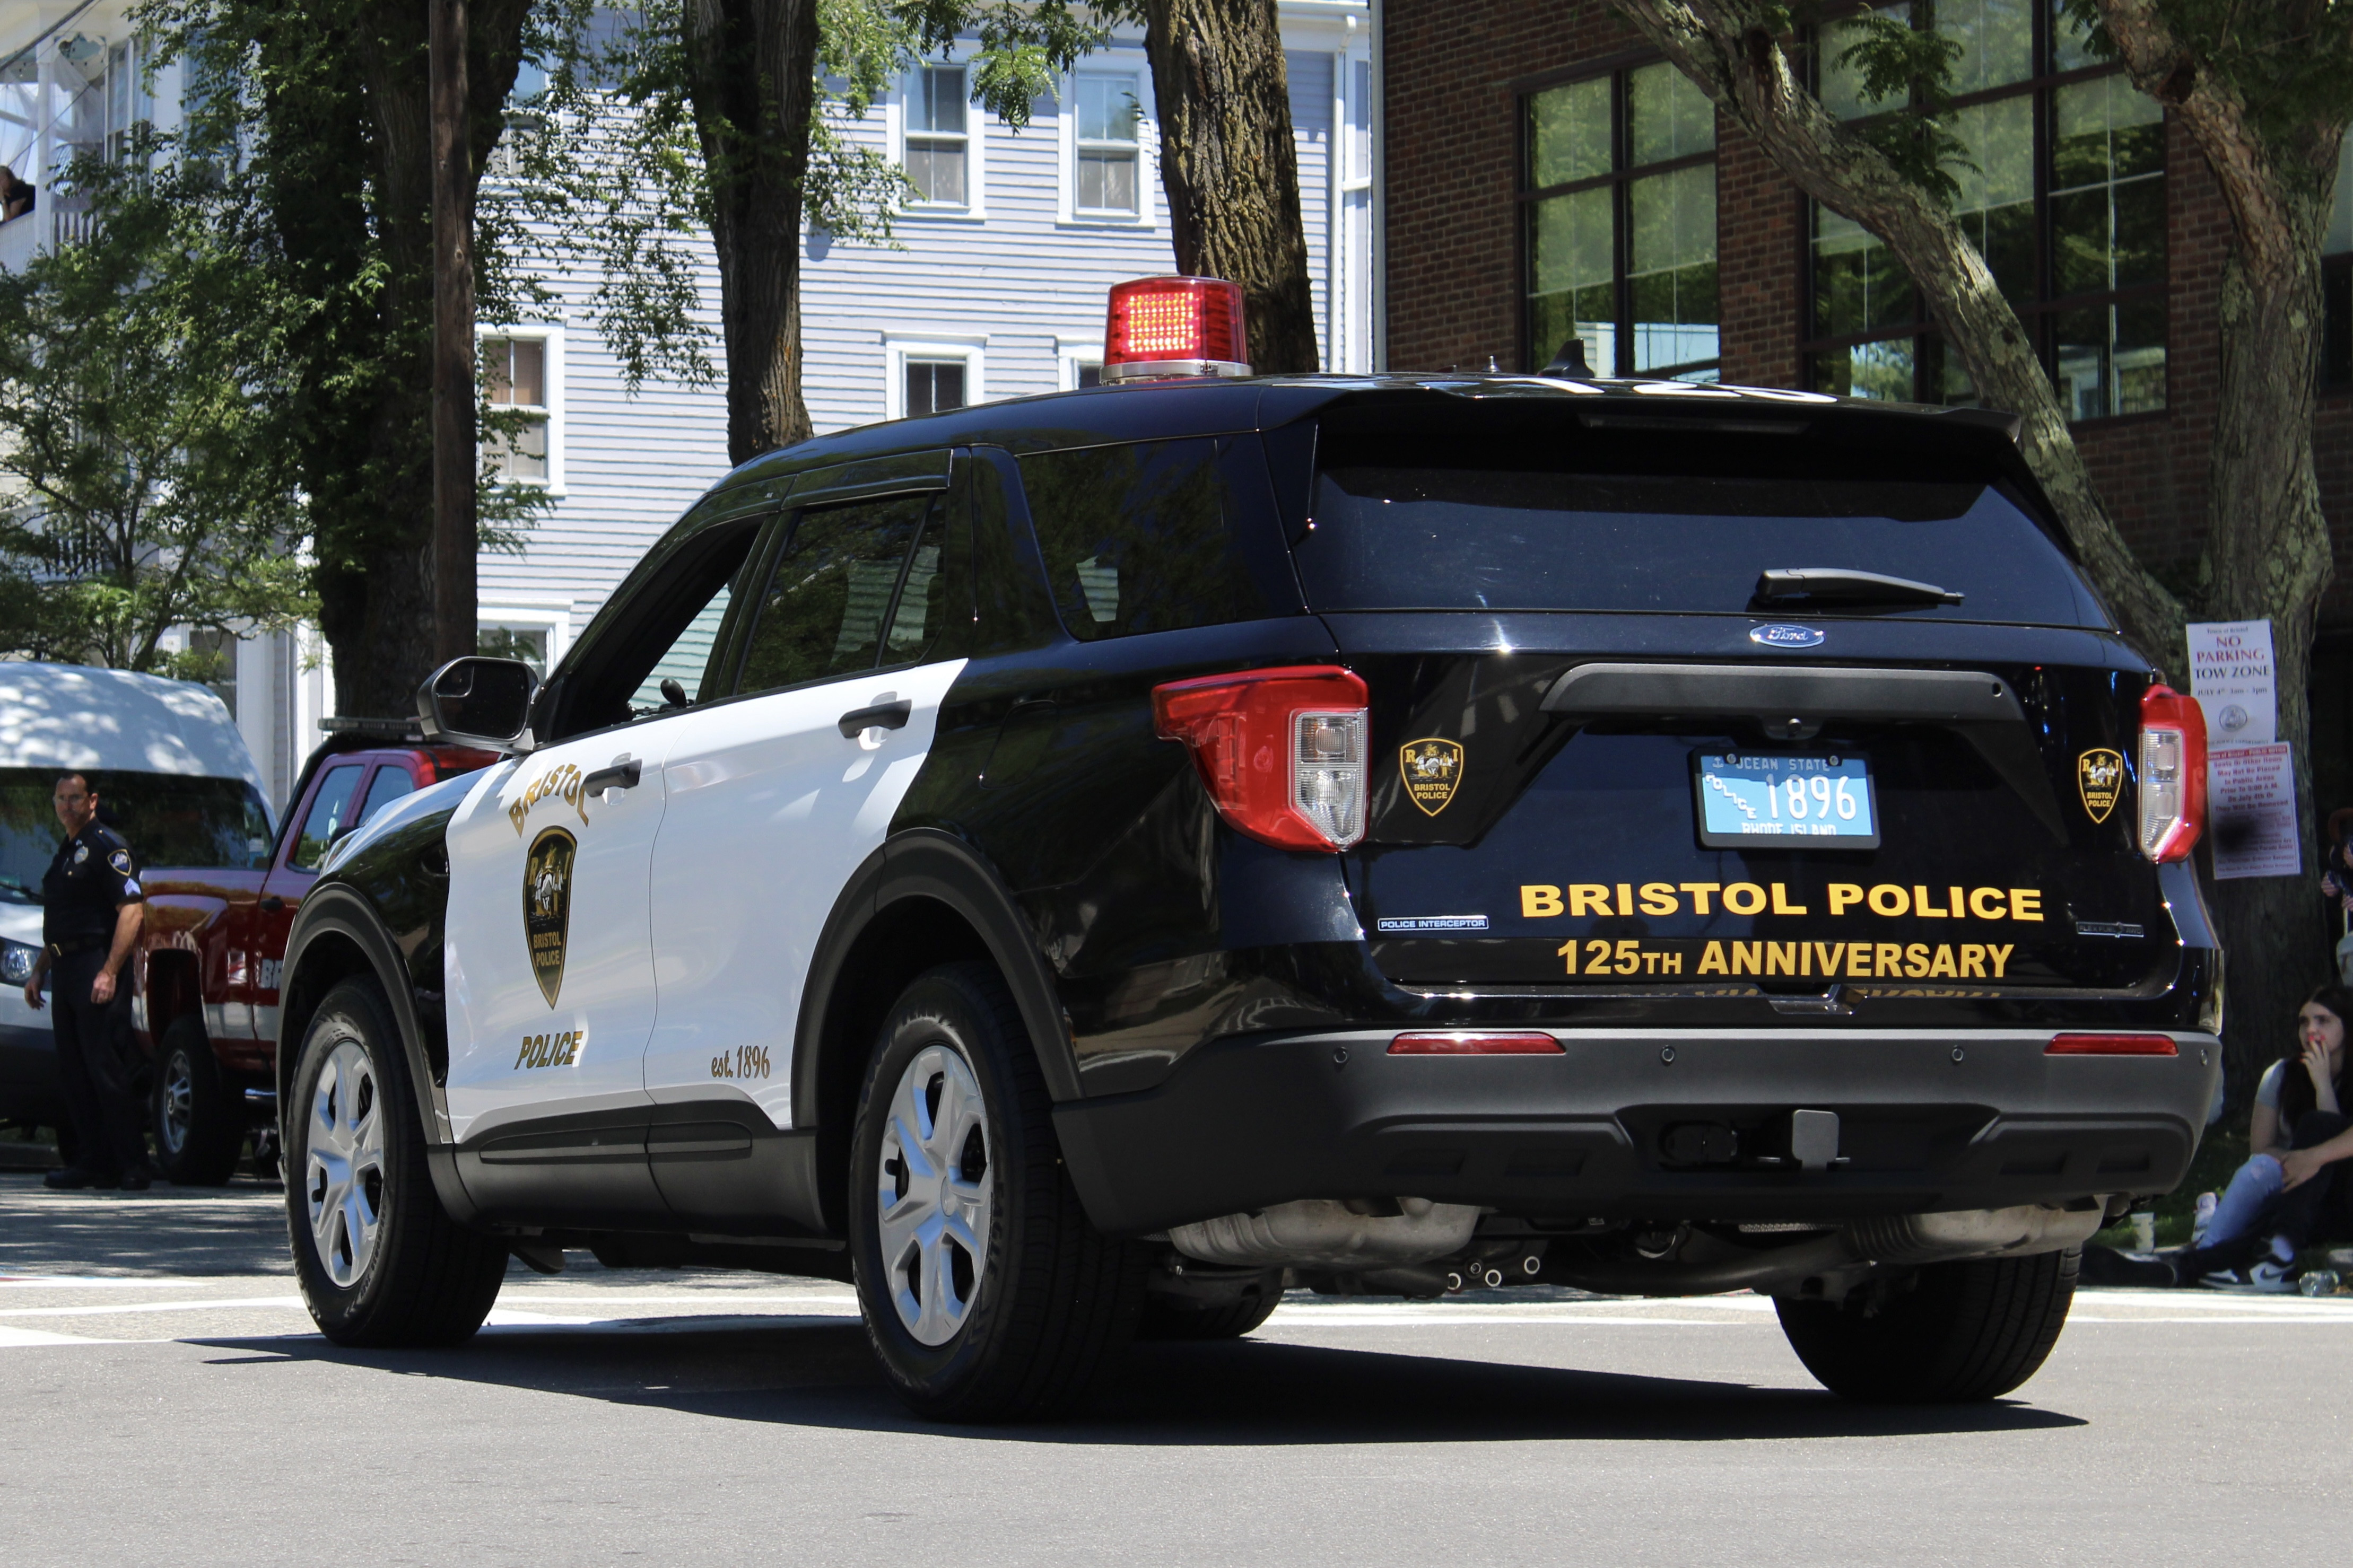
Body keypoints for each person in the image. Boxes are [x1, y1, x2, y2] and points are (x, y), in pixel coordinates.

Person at [2165, 984, 2353, 1290]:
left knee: (2317, 1125)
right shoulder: (2281, 1075)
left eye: (2323, 1021)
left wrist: (2323, 1088)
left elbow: (2331, 1134)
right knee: (2262, 1168)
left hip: (2340, 1191)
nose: (2311, 1030)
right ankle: (2213, 1253)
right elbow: (2261, 1147)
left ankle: (2260, 1254)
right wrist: (2300, 1161)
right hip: (2293, 1186)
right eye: (2304, 1022)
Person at [21, 772, 152, 1190]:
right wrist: (40, 970)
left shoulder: (107, 847)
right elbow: (61, 922)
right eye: (60, 799)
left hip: (97, 965)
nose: (66, 806)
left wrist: (110, 971)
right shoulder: (67, 851)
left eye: (74, 798)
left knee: (106, 1069)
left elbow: (131, 912)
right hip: (66, 968)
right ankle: (93, 1161)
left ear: (91, 800)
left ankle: (132, 1162)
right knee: (74, 1072)